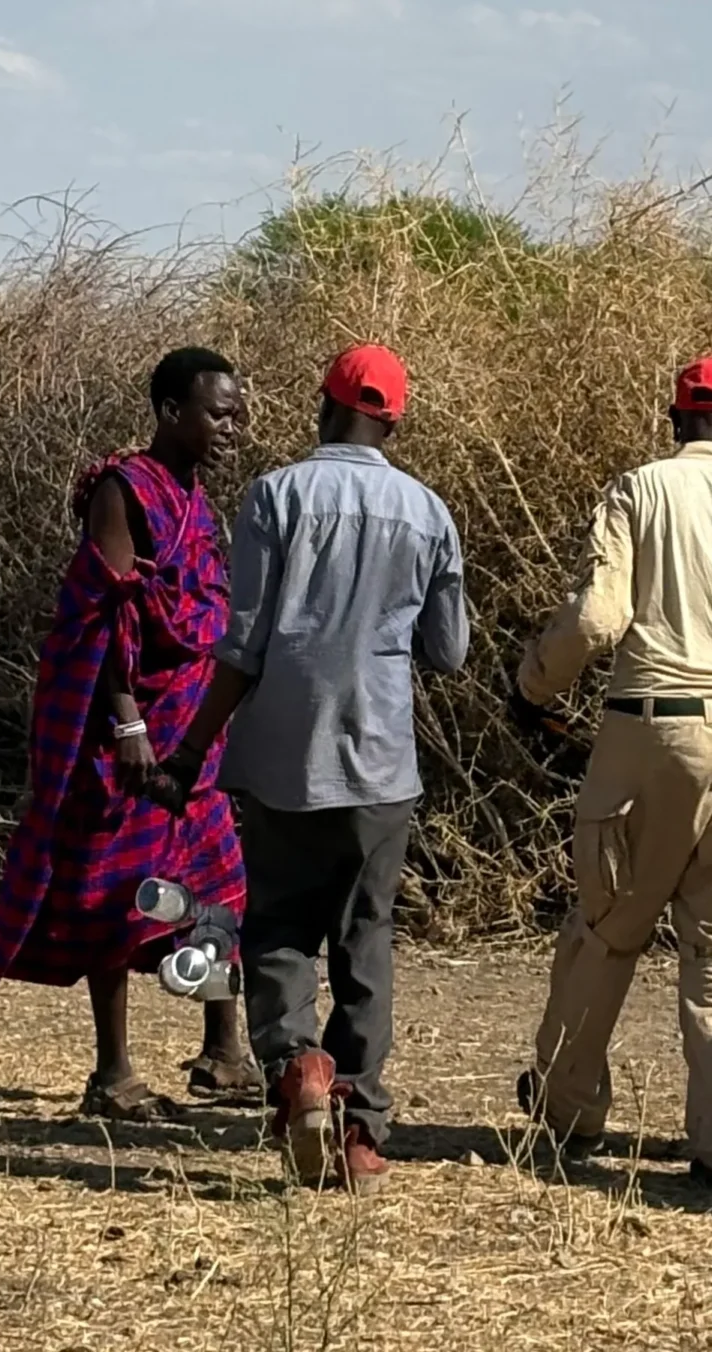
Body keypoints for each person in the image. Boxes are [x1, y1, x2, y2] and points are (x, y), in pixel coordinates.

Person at [510, 356, 712, 1194]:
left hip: (641, 733)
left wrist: (534, 686)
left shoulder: (638, 490)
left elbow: (598, 614)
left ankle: (568, 1109)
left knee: (606, 927)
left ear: (672, 420)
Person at [154, 344, 469, 1195]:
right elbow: (448, 651)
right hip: (379, 760)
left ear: (322, 404)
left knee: (281, 926)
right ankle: (361, 1126)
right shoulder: (427, 512)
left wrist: (189, 752)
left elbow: (244, 641)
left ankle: (296, 1069)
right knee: (364, 936)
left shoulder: (274, 496)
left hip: (283, 756)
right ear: (393, 420)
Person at [0, 347, 255, 1121]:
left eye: (238, 413)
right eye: (218, 413)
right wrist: (128, 719)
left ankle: (225, 1053)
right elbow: (106, 612)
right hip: (130, 732)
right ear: (171, 412)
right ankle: (113, 1072)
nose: (234, 427)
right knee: (120, 894)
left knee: (218, 884)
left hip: (191, 726)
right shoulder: (122, 489)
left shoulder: (194, 496)